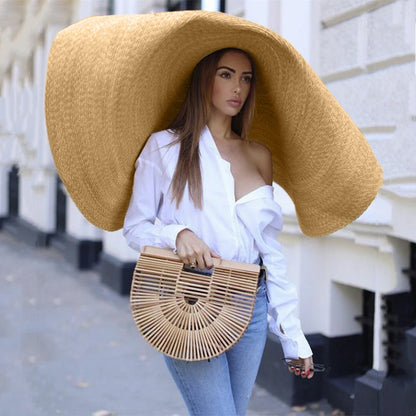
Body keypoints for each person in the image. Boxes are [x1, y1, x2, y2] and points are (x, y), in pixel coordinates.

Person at [123, 47, 314, 416]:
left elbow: (269, 251)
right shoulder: (164, 147)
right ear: (203, 80)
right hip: (189, 298)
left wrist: (293, 336)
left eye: (246, 78)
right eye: (225, 75)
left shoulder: (259, 155)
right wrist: (177, 234)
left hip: (250, 301)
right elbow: (135, 228)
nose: (237, 88)